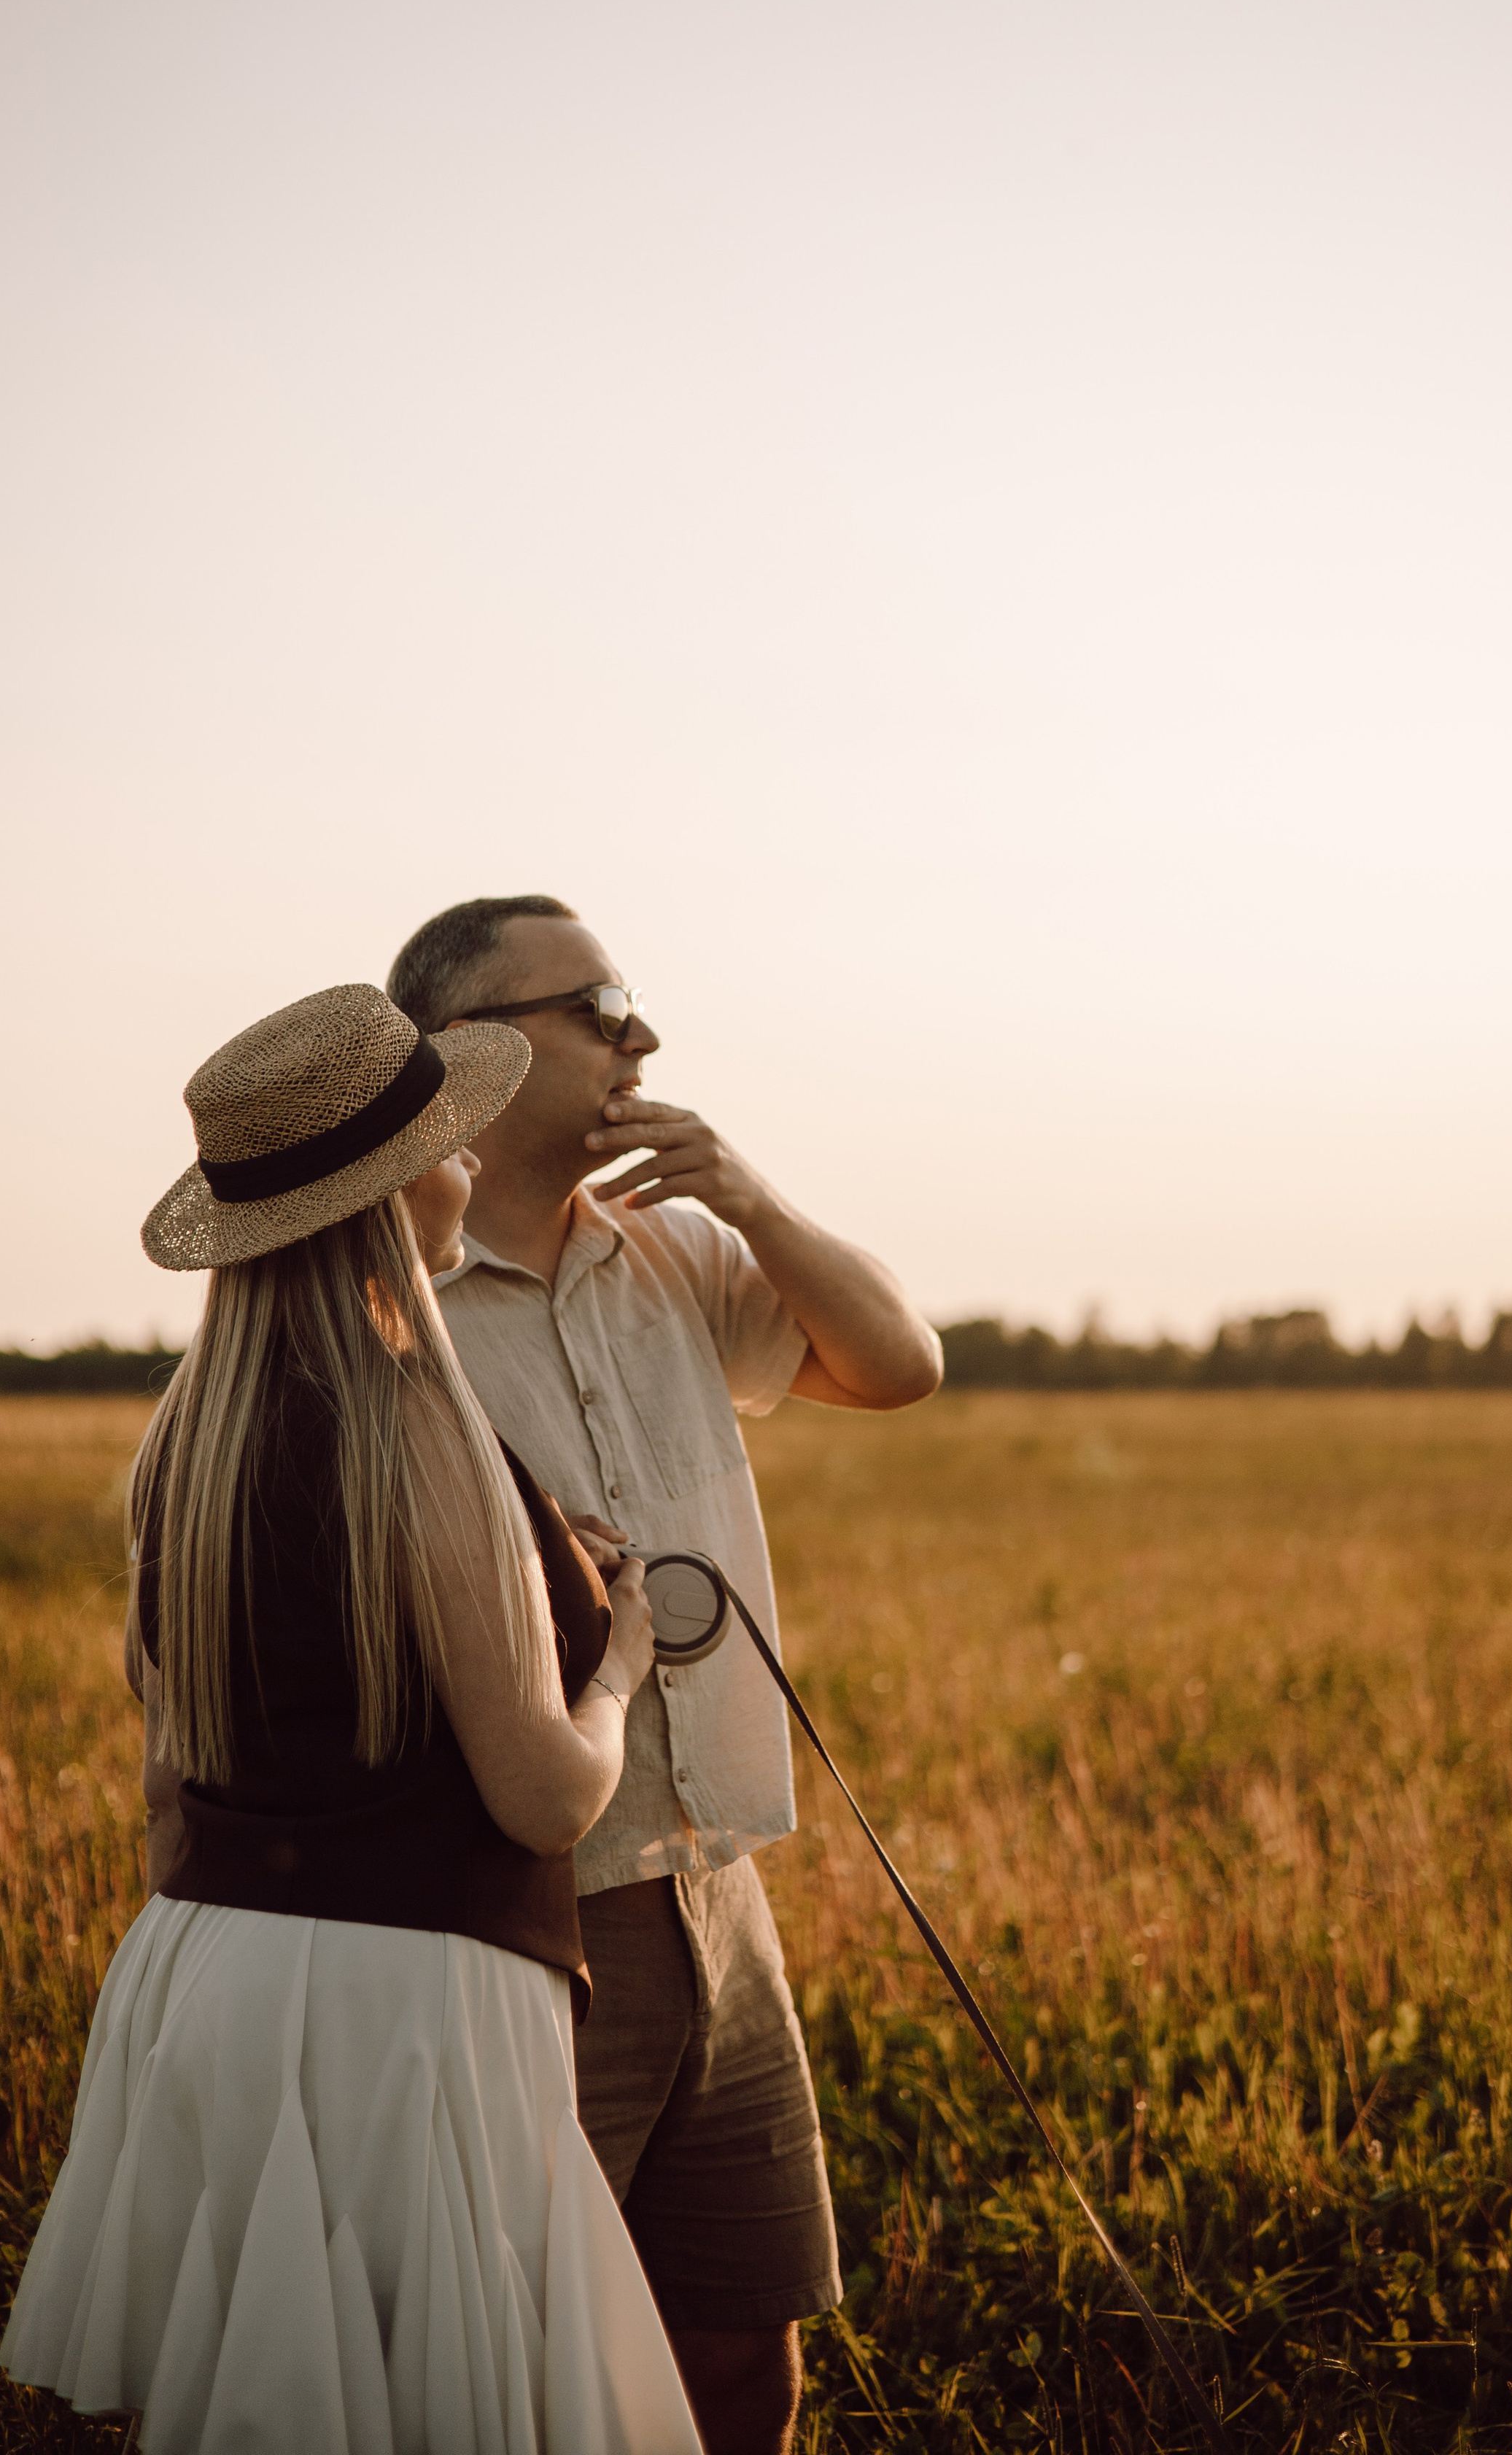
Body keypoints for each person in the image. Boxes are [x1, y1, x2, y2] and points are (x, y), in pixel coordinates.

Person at [0, 982, 703, 2455]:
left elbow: (175, 1764)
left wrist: (527, 1571)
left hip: (202, 1975)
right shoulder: (419, 1421)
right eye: (449, 1146)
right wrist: (618, 1661)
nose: (470, 1165)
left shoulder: (184, 1442)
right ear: (389, 1193)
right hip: (408, 2008)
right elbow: (545, 1799)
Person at [385, 897, 942, 2455]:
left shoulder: (677, 1250)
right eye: (598, 1004)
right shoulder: (385, 1306)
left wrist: (749, 1197)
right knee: (517, 2371)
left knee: (742, 2354)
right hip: (522, 1916)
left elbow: (900, 1365)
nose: (642, 1034)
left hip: (719, 1888)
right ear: (469, 1054)